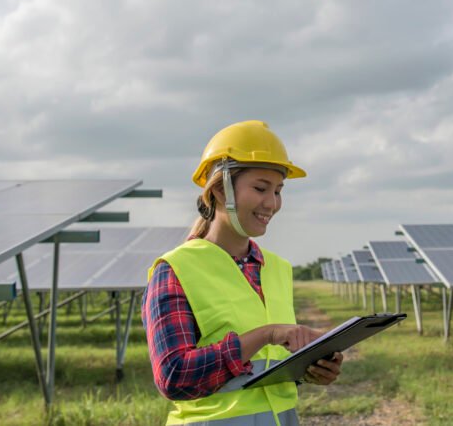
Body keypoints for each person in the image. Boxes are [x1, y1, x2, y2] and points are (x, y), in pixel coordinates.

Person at [142, 120, 343, 426]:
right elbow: (174, 377)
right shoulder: (176, 269)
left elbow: (268, 370)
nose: (272, 203)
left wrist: (311, 369)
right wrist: (267, 334)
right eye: (260, 188)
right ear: (221, 190)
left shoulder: (276, 269)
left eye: (278, 191)